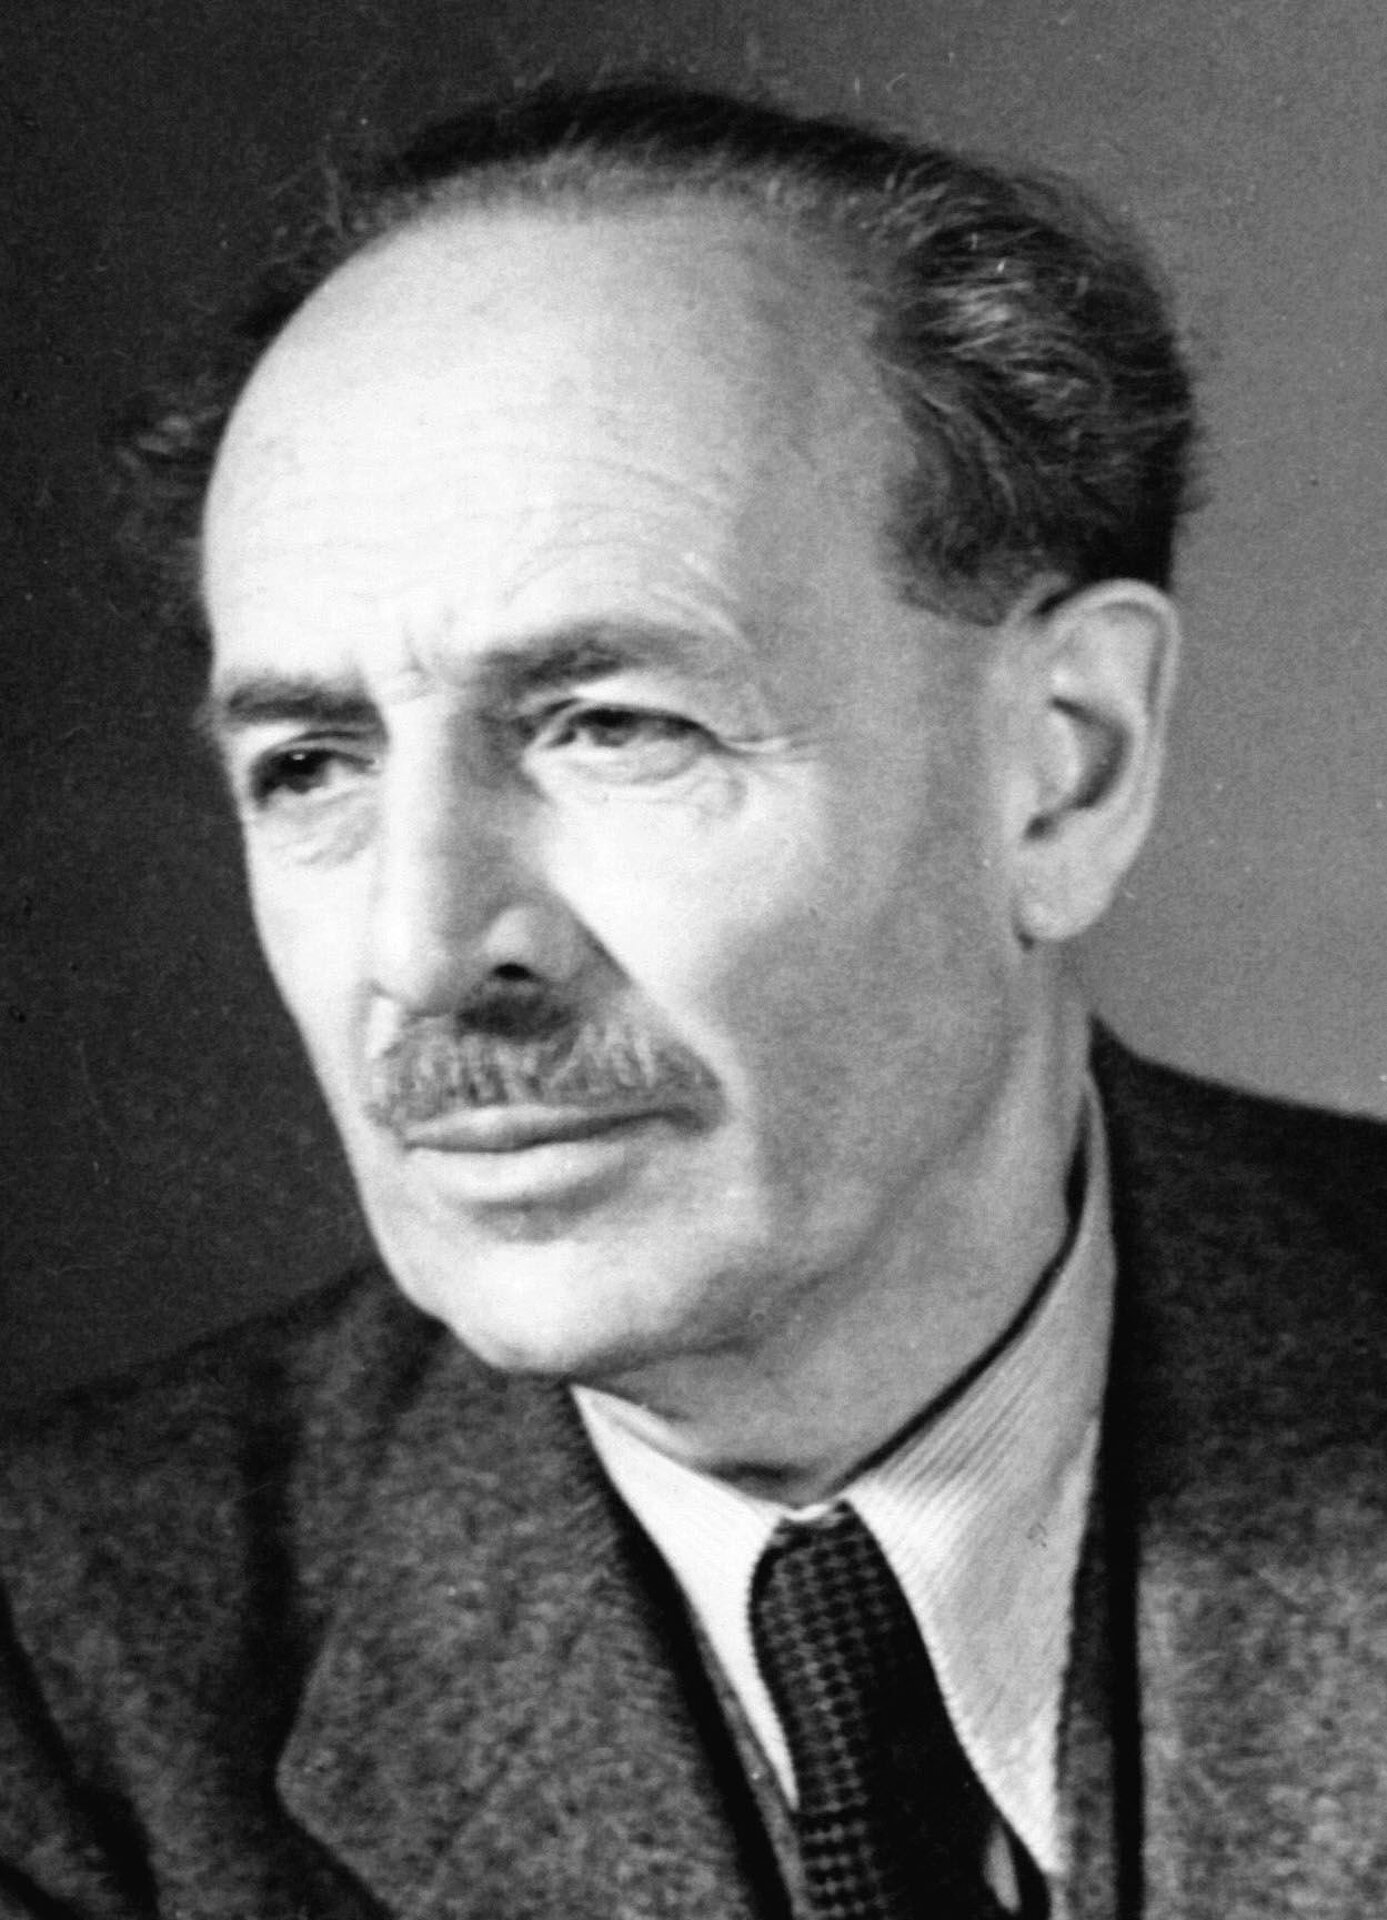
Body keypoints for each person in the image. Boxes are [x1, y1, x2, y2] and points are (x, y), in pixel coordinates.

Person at [1, 78, 1384, 1920]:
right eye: (313, 764)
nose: (426, 949)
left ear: (1066, 767)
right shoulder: (62, 1672)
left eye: (613, 726)